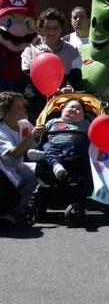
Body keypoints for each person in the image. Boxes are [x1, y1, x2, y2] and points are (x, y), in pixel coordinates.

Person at [21, 8, 83, 120]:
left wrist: (68, 87)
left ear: (61, 29)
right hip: (36, 99)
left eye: (55, 28)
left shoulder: (72, 50)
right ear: (41, 28)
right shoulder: (30, 49)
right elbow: (27, 73)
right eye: (47, 28)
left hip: (63, 100)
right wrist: (46, 89)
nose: (51, 32)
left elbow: (76, 73)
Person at [0, 92, 43, 223]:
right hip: (4, 171)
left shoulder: (24, 124)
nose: (23, 109)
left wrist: (41, 132)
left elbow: (36, 142)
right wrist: (31, 136)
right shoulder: (2, 131)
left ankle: (23, 207)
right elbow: (15, 153)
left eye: (23, 106)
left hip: (18, 166)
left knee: (35, 178)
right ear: (5, 111)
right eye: (18, 107)